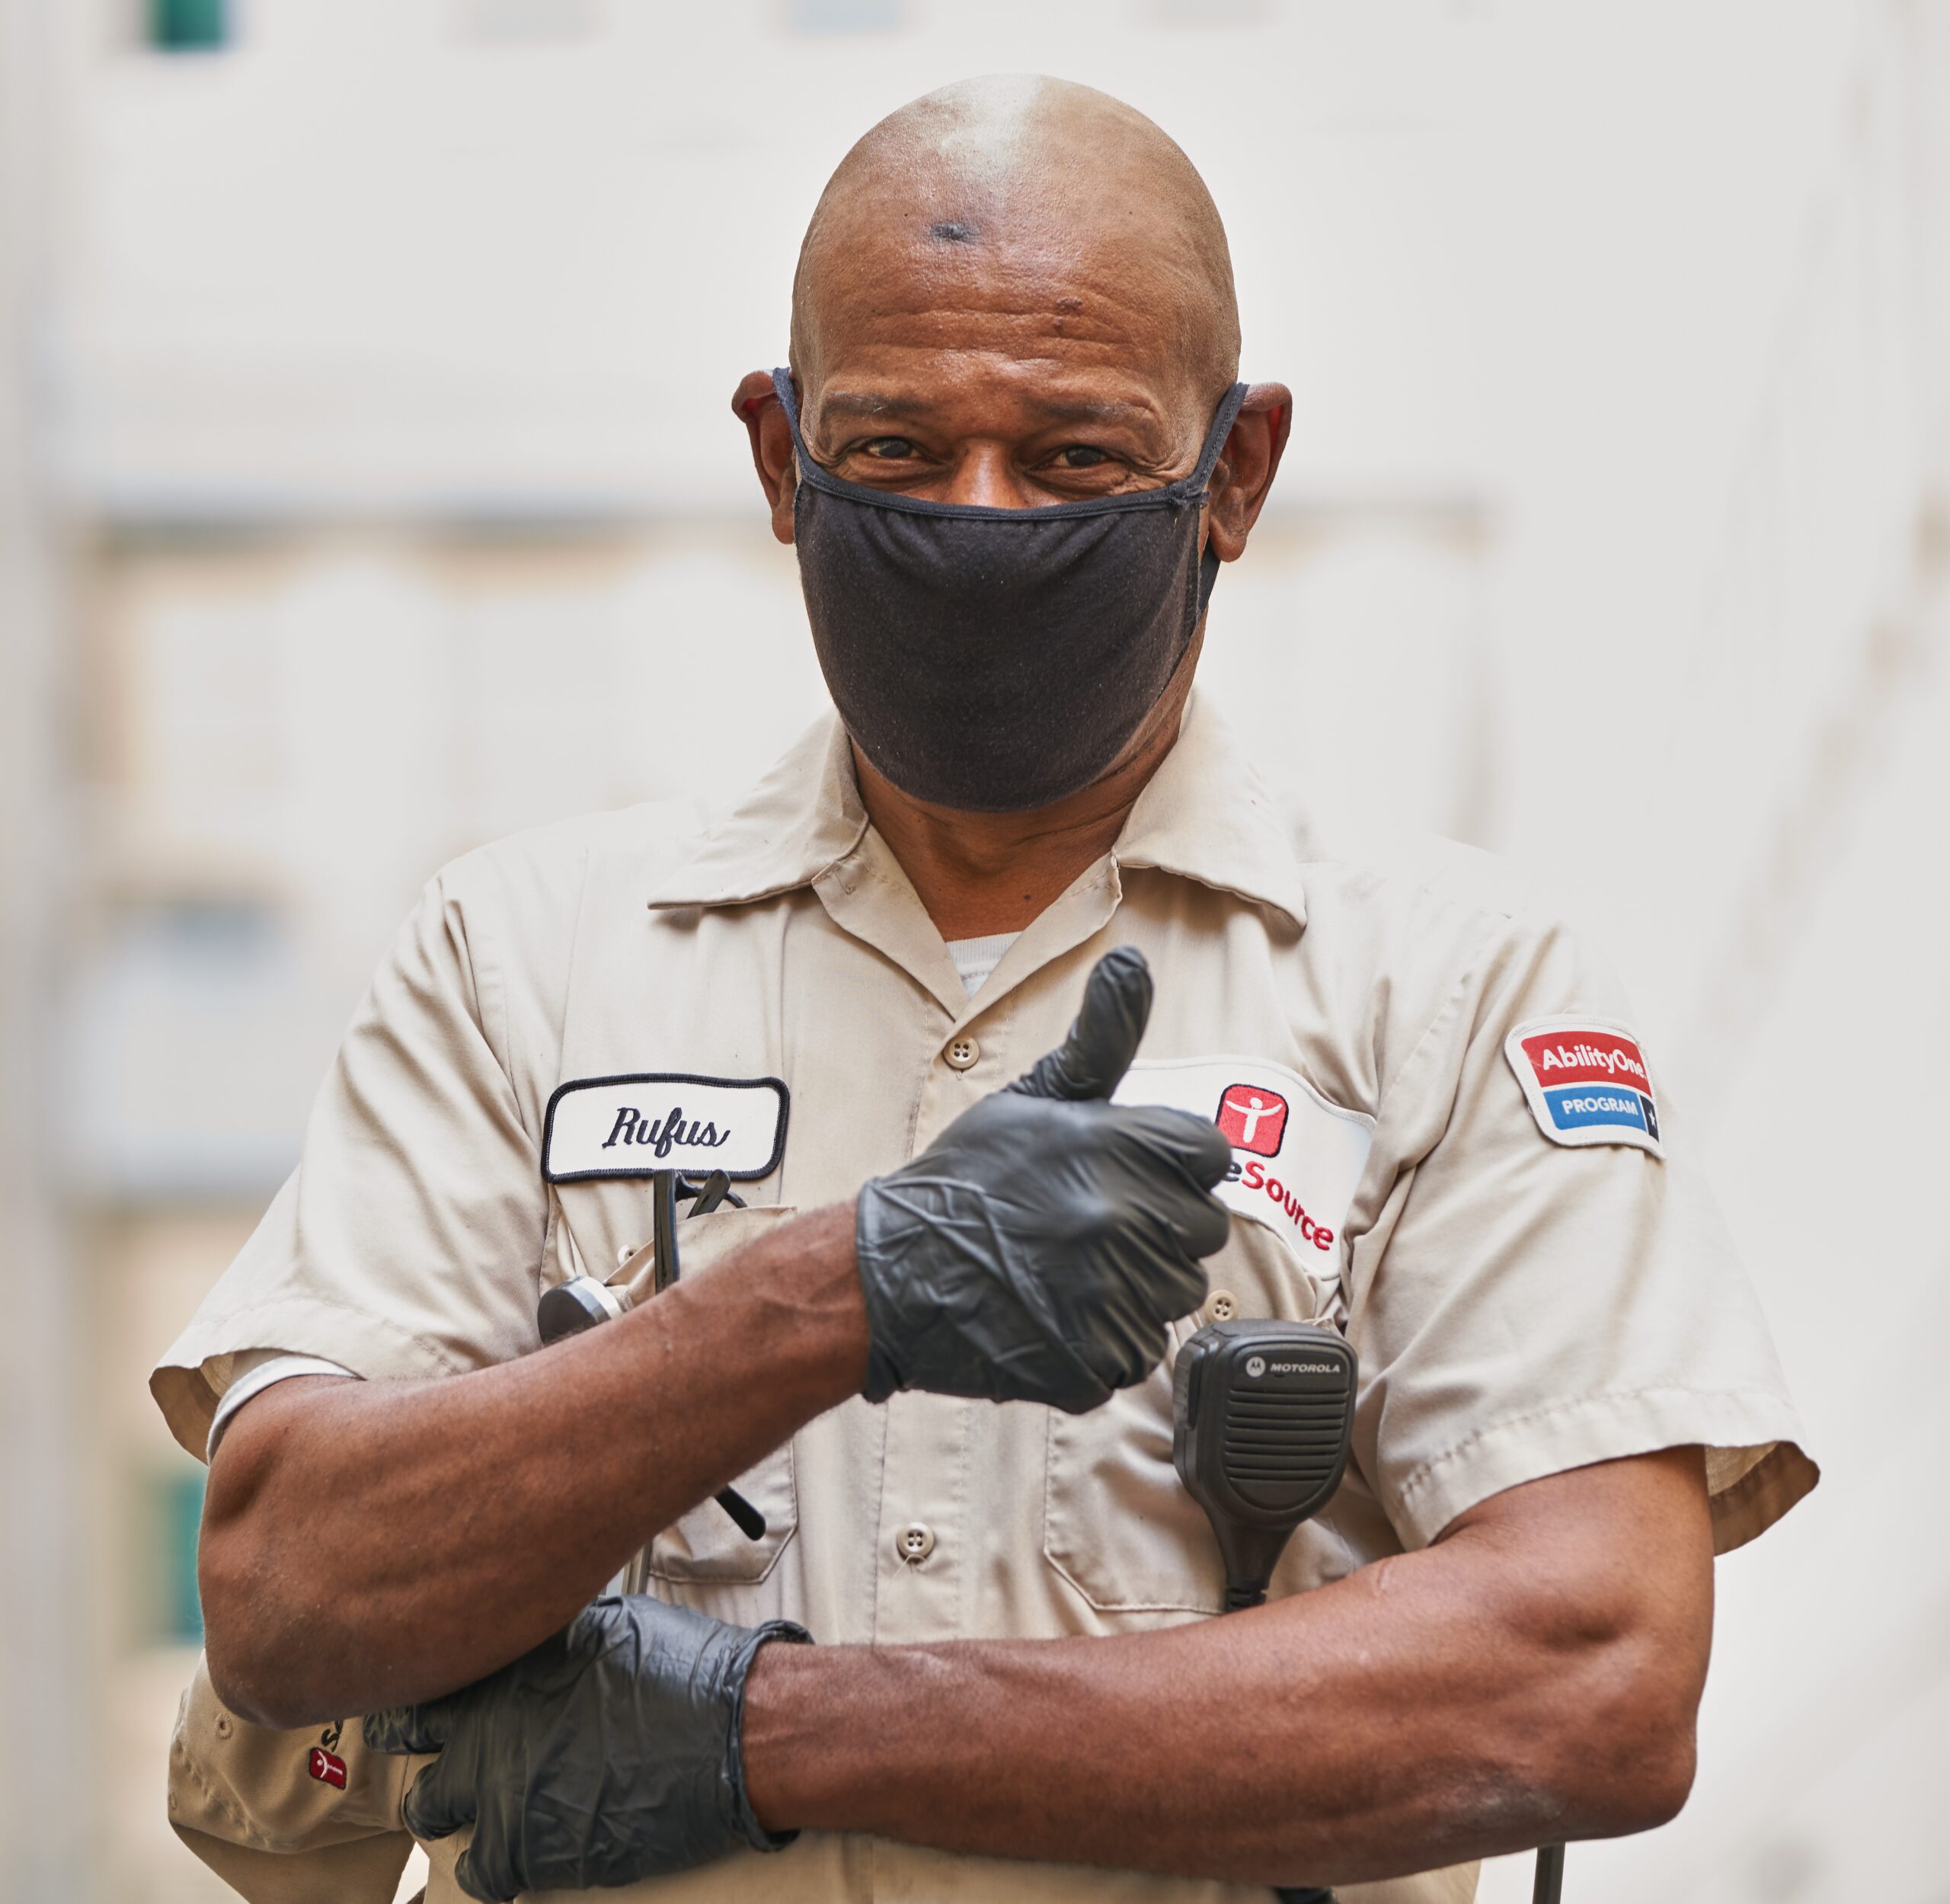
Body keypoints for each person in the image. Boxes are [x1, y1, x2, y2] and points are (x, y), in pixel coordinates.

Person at [152, 74, 1815, 1904]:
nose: (980, 513)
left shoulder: (1449, 990)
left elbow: (1587, 1678)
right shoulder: (517, 961)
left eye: (1076, 457)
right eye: (894, 451)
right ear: (781, 461)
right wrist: (829, 1293)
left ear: (1234, 472)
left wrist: (770, 1733)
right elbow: (289, 1584)